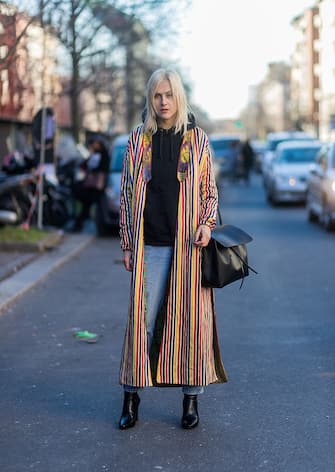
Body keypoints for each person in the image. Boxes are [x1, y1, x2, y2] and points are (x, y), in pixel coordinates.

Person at [118, 68, 228, 430]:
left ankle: (191, 402)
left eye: (169, 95)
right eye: (157, 96)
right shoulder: (138, 140)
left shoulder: (197, 140)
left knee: (191, 324)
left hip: (187, 249)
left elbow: (209, 193)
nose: (163, 102)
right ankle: (131, 399)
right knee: (142, 325)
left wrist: (206, 224)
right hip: (149, 244)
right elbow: (127, 194)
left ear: (179, 97)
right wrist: (128, 243)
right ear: (150, 99)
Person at [71, 137, 110, 231]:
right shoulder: (93, 155)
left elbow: (103, 169)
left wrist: (93, 172)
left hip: (97, 186)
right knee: (86, 205)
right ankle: (79, 223)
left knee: (94, 206)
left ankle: (81, 223)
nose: (93, 145)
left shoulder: (104, 155)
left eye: (95, 144)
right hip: (90, 185)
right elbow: (84, 165)